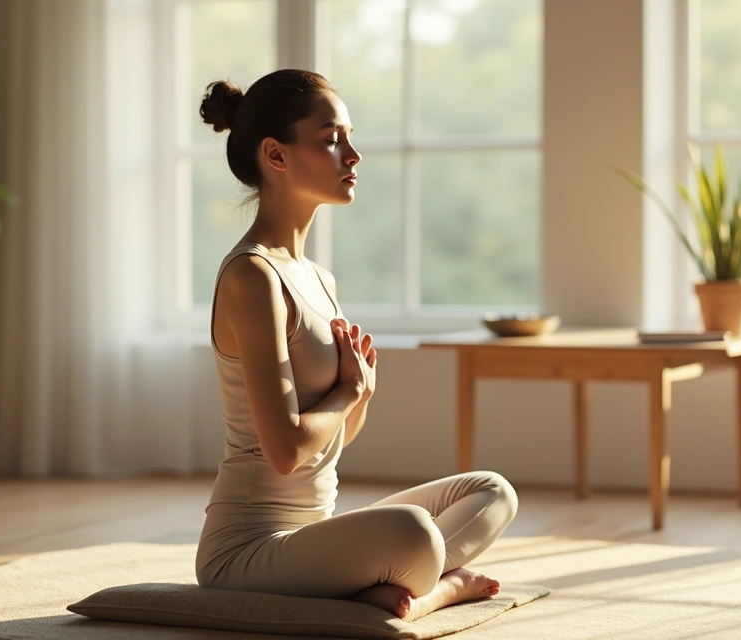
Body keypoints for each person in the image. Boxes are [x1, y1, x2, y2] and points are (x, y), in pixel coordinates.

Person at [194, 68, 518, 622]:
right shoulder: (253, 277)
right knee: (413, 533)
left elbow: (334, 441)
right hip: (246, 553)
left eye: (347, 137)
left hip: (314, 532)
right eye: (330, 139)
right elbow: (287, 450)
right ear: (277, 155)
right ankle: (438, 591)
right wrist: (348, 388)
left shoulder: (319, 279)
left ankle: (383, 582)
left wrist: (360, 396)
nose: (353, 154)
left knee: (493, 490)